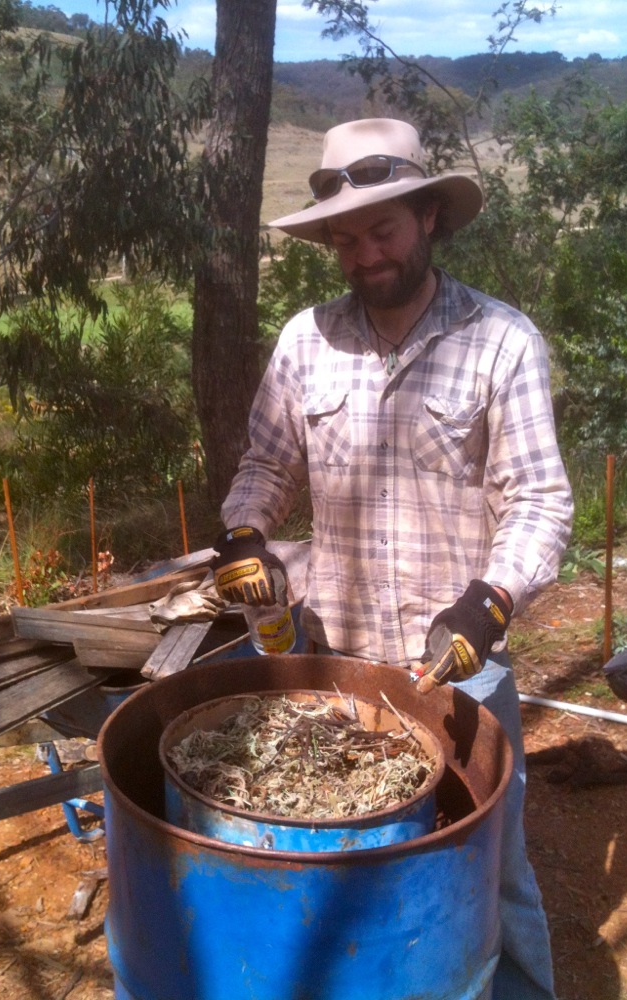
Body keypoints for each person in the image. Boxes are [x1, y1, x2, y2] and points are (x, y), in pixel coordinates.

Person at [213, 118, 573, 999]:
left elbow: (539, 500)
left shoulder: (500, 340)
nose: (363, 254)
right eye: (344, 239)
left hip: (459, 669)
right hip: (335, 663)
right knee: (351, 866)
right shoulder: (306, 340)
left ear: (428, 220)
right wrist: (246, 534)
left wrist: (488, 603)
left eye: (382, 230)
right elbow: (265, 463)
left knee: (491, 867)